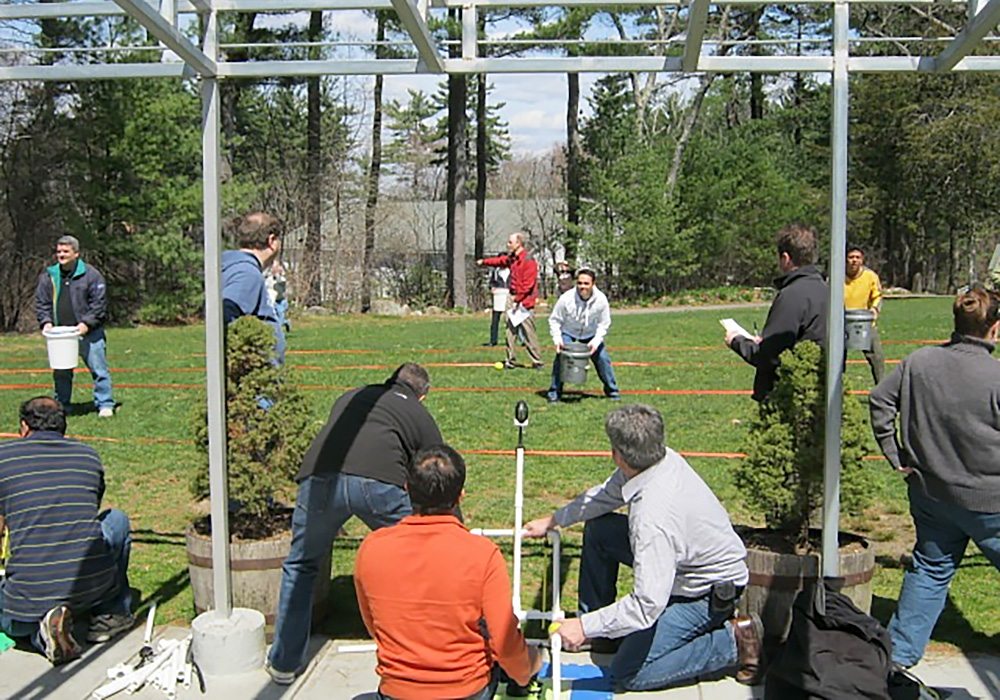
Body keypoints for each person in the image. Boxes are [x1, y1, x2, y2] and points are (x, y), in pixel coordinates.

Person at [523, 404, 760, 691]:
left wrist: (583, 625)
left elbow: (647, 605)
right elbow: (605, 496)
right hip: (683, 562)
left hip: (706, 593)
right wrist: (554, 520)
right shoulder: (659, 459)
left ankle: (735, 641)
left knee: (628, 672)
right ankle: (605, 635)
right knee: (601, 530)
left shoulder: (652, 520)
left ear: (618, 455)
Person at [267, 363, 444, 684]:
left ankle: (283, 662)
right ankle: (425, 650)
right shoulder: (416, 412)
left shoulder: (351, 395)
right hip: (380, 484)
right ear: (422, 395)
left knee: (301, 565)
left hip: (319, 478)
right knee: (421, 560)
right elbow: (438, 466)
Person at [869, 286, 1000, 671]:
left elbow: (879, 399)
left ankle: (899, 656)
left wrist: (894, 454)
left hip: (932, 494)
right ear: (995, 327)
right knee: (929, 569)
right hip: (990, 501)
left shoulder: (919, 361)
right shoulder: (995, 375)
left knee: (929, 571)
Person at [355, 445, 543, 700]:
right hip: (467, 691)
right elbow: (505, 641)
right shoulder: (482, 554)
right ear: (460, 496)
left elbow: (374, 626)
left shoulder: (372, 548)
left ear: (407, 488)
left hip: (397, 692)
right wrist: (530, 666)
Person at [0, 397, 133, 665]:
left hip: (25, 605)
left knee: (13, 616)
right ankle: (111, 613)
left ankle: (43, 634)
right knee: (116, 519)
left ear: (24, 427)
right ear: (63, 427)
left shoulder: (4, 458)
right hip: (89, 591)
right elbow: (86, 516)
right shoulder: (87, 456)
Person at [725, 224, 828, 401]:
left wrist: (737, 341)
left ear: (786, 258)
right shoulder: (827, 290)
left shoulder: (792, 295)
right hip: (818, 387)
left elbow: (769, 356)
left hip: (788, 394)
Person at [34, 235, 116, 417]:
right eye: (58, 251)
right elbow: (42, 302)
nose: (61, 255)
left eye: (65, 251)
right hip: (61, 334)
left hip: (89, 332)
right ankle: (62, 405)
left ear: (76, 254)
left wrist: (86, 324)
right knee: (61, 373)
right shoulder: (49, 275)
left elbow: (99, 304)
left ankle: (105, 404)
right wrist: (46, 322)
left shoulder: (92, 275)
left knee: (99, 369)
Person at [546, 266, 620, 403]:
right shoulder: (566, 299)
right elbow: (554, 320)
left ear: (593, 284)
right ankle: (554, 392)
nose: (582, 286)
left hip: (591, 334)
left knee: (603, 359)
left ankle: (612, 391)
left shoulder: (601, 300)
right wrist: (558, 339)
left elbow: (604, 323)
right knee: (560, 358)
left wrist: (596, 341)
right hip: (569, 332)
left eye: (586, 283)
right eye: (579, 283)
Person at [222, 212, 286, 364]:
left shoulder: (235, 266)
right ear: (272, 241)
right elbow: (225, 314)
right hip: (251, 381)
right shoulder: (246, 273)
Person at [476, 232, 543, 370]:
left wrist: (517, 299)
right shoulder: (512, 259)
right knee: (510, 331)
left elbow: (528, 284)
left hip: (525, 301)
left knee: (528, 331)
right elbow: (499, 261)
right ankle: (510, 359)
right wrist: (484, 262)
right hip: (512, 298)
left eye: (510, 242)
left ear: (519, 244)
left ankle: (537, 360)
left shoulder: (529, 260)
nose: (508, 245)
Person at [845, 244, 885, 384]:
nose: (854, 260)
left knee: (877, 357)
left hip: (865, 324)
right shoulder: (836, 277)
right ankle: (836, 389)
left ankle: (881, 389)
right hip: (842, 324)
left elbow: (878, 296)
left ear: (862, 260)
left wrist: (874, 310)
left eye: (857, 257)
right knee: (836, 359)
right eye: (851, 257)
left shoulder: (870, 276)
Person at [486, 263, 510, 347]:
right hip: (498, 296)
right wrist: (492, 287)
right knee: (495, 320)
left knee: (514, 319)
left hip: (509, 295)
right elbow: (491, 283)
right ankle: (493, 340)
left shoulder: (512, 270)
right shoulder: (496, 271)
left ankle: (522, 340)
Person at [265, 259, 291, 334]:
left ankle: (278, 332)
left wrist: (278, 274)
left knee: (280, 315)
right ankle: (286, 323)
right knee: (275, 316)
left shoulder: (282, 279)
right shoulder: (269, 278)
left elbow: (280, 282)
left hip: (281, 300)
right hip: (273, 300)